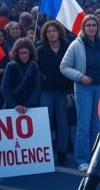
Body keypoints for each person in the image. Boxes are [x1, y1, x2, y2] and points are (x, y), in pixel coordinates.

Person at [60, 15, 100, 172]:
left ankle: (95, 158)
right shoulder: (76, 44)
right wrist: (80, 76)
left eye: (93, 25)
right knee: (83, 126)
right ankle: (82, 159)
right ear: (83, 27)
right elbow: (64, 66)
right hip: (83, 89)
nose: (91, 27)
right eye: (88, 25)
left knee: (97, 125)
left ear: (97, 27)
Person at [36, 20, 72, 166]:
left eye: (54, 31)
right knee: (46, 123)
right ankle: (44, 154)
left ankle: (61, 152)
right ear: (45, 34)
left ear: (59, 32)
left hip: (63, 92)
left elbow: (72, 66)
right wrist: (43, 77)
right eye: (48, 31)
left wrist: (70, 91)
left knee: (63, 124)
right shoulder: (39, 49)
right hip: (47, 91)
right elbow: (35, 68)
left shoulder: (67, 47)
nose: (51, 33)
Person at [0, 38, 41, 113]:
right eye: (21, 53)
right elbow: (4, 87)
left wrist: (28, 105)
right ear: (17, 53)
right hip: (11, 107)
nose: (23, 55)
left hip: (29, 108)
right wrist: (14, 105)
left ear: (30, 53)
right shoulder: (10, 66)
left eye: (26, 52)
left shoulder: (34, 66)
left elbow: (36, 87)